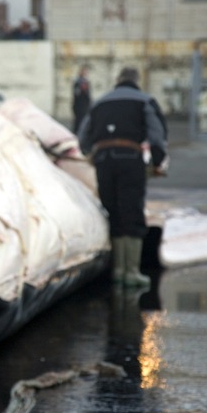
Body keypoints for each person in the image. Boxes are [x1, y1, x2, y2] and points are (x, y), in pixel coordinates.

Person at [78, 67, 168, 288]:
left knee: (113, 210)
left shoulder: (99, 102)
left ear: (117, 80)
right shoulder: (145, 101)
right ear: (137, 80)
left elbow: (83, 137)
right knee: (132, 210)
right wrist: (157, 161)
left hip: (104, 161)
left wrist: (91, 154)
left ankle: (117, 272)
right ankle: (132, 272)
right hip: (130, 159)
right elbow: (157, 134)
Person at [72, 64, 91, 133]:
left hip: (83, 106)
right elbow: (78, 94)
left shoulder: (84, 82)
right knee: (79, 122)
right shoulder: (79, 82)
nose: (87, 73)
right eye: (85, 72)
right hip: (80, 106)